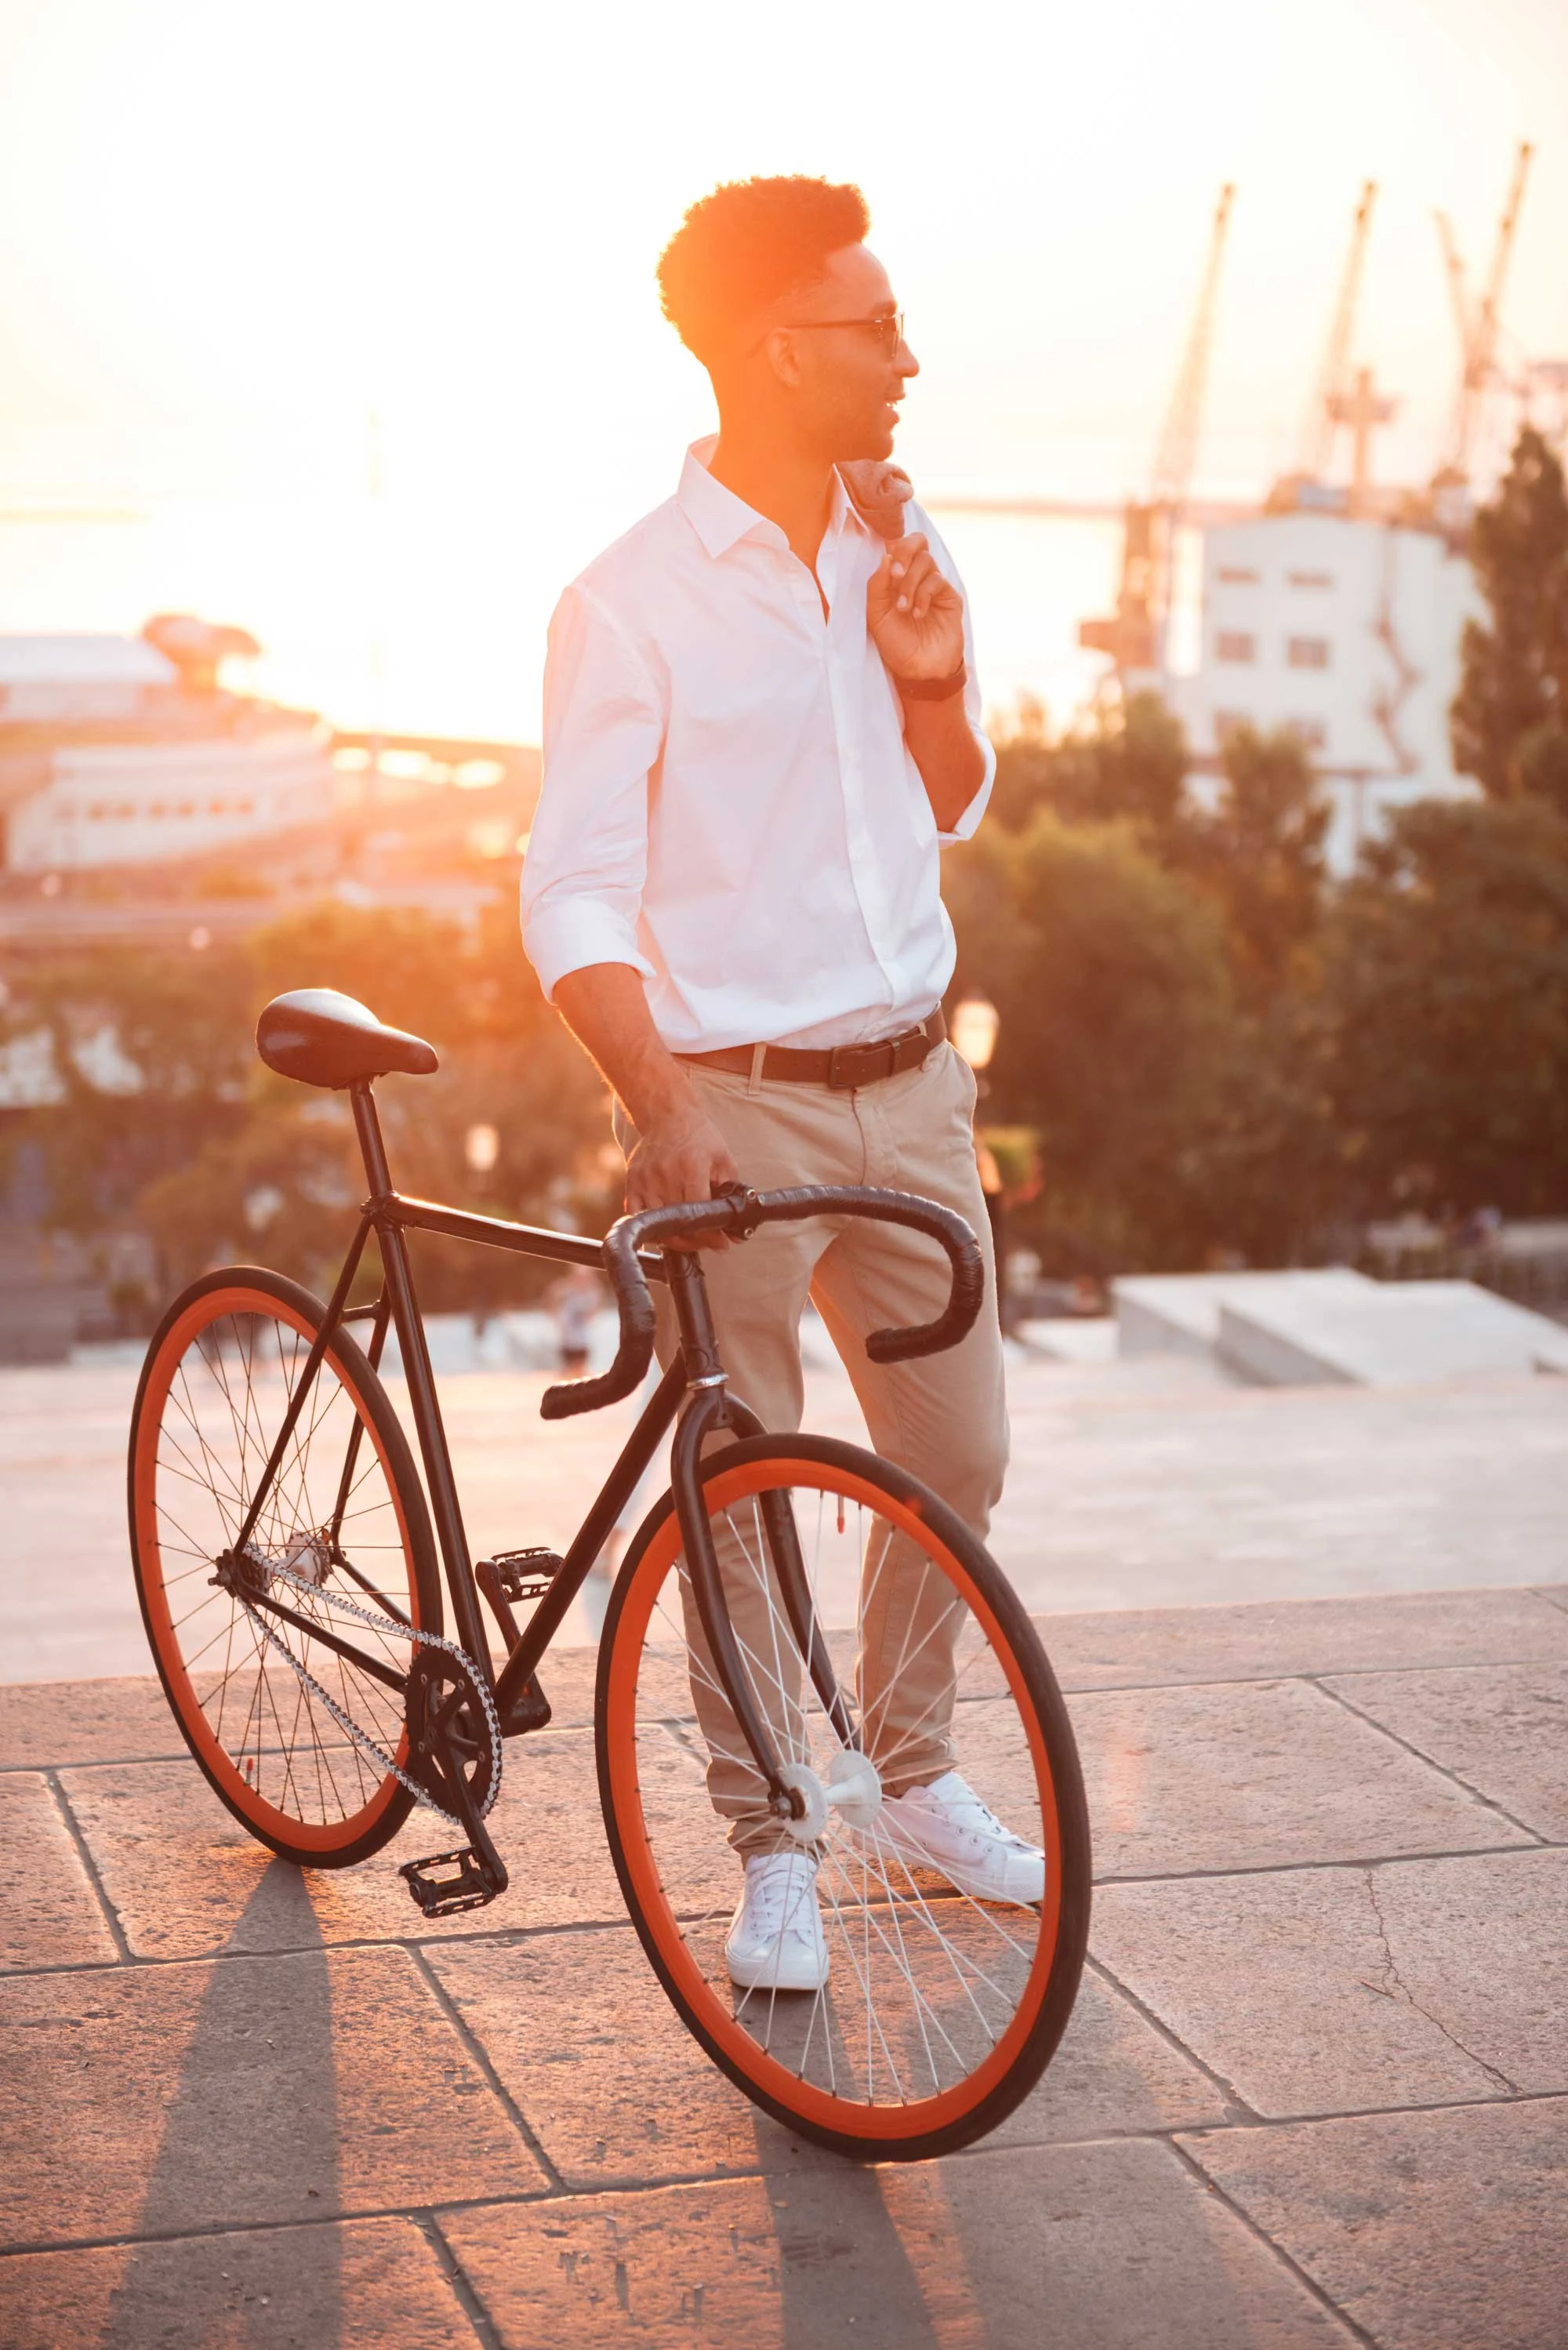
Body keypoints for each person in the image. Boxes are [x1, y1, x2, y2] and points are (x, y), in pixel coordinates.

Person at [521, 176, 1042, 1991]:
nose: (906, 357)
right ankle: (773, 1844)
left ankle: (909, 1770)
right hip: (727, 1100)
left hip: (910, 1085)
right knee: (737, 1480)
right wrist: (657, 1098)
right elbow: (569, 887)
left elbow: (952, 794)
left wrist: (932, 676)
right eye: (873, 327)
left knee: (955, 1454)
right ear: (773, 349)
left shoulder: (900, 536)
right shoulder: (628, 603)